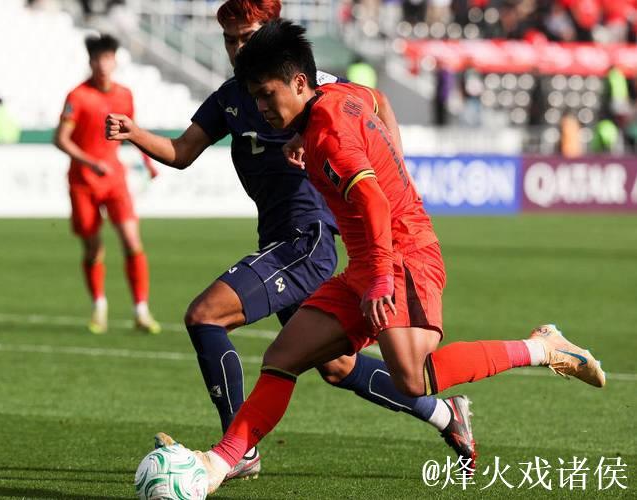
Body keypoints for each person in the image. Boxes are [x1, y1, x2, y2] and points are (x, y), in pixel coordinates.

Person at [159, 19, 606, 494]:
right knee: (282, 356)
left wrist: (378, 280)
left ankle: (543, 347)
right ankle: (221, 463)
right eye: (255, 97)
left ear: (299, 83)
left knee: (415, 378)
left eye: (268, 95)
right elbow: (373, 102)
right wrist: (321, 141)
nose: (261, 107)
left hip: (405, 255)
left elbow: (372, 200)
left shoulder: (328, 134)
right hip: (371, 258)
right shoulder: (339, 99)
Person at [107, 0, 476, 481]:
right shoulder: (232, 97)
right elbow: (181, 152)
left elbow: (377, 102)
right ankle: (448, 416)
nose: (237, 48)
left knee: (205, 315)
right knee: (338, 367)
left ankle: (236, 450)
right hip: (277, 241)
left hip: (307, 239)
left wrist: (393, 174)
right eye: (229, 40)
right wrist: (136, 133)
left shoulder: (305, 85)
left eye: (247, 36)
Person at [54, 34, 160, 334]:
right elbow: (60, 139)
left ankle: (141, 310)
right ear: (90, 62)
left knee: (132, 241)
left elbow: (133, 132)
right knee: (93, 248)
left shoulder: (124, 95)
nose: (103, 64)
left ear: (114, 61)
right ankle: (99, 306)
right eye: (97, 59)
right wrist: (90, 162)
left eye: (107, 58)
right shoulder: (78, 96)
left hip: (114, 179)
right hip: (83, 181)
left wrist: (149, 161)